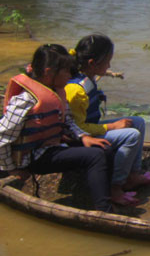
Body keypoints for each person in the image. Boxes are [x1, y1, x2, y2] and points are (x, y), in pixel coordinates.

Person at [1, 44, 113, 212]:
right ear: (48, 72)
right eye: (66, 71)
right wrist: (12, 169)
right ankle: (104, 210)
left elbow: (67, 120)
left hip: (51, 147)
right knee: (95, 156)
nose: (70, 75)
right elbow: (2, 138)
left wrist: (83, 137)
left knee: (104, 147)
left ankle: (90, 196)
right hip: (33, 157)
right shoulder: (25, 101)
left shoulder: (56, 93)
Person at [66, 33, 150, 207]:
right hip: (80, 137)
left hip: (89, 128)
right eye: (107, 61)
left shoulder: (88, 78)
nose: (109, 65)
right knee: (131, 135)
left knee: (138, 122)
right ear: (92, 64)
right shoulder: (76, 90)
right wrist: (112, 126)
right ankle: (115, 187)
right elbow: (77, 128)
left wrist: (110, 126)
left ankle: (133, 175)